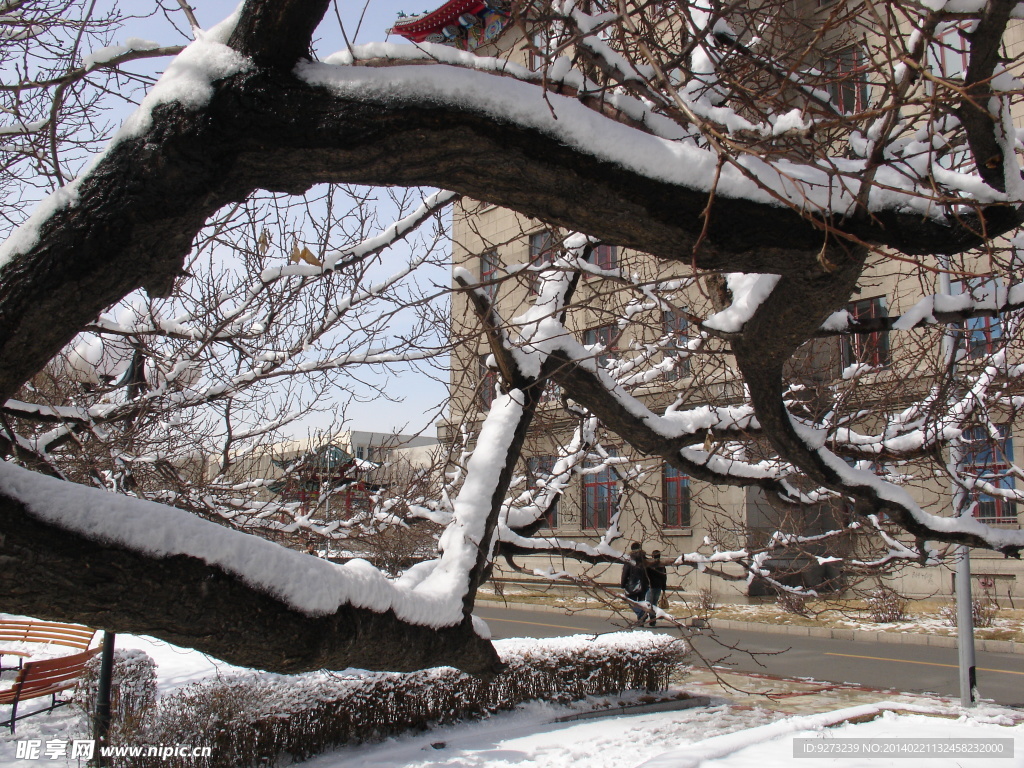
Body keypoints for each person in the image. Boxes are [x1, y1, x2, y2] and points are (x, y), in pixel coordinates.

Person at [620, 542, 650, 625]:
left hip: (632, 584)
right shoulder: (644, 559)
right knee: (641, 602)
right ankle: (641, 620)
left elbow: (625, 572)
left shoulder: (630, 560)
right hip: (644, 584)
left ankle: (641, 614)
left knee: (630, 601)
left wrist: (623, 584)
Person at [645, 550, 668, 627]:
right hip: (658, 586)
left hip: (651, 586)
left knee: (648, 603)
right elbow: (664, 577)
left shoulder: (650, 565)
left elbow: (646, 575)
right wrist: (664, 588)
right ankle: (652, 618)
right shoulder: (662, 565)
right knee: (654, 603)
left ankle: (646, 616)